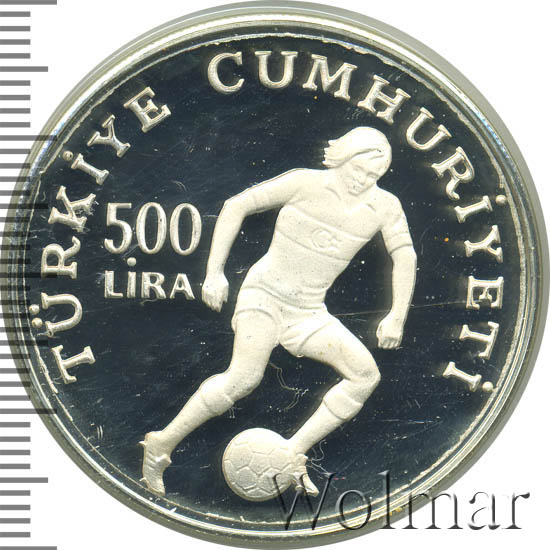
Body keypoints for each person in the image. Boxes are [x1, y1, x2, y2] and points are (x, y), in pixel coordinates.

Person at [140, 127, 417, 497]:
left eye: (373, 175)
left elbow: (405, 255)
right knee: (243, 379)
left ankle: (292, 453)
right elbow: (237, 205)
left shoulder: (385, 206)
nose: (363, 180)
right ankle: (161, 443)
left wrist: (397, 315)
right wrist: (214, 274)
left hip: (309, 312)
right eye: (359, 170)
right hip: (265, 296)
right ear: (342, 158)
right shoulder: (304, 183)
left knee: (365, 376)